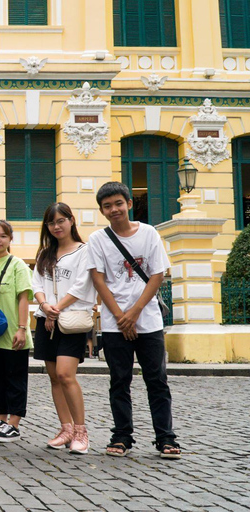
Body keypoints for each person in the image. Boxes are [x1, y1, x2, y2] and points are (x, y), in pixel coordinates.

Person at [87, 182, 181, 459]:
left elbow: (157, 274)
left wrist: (135, 313)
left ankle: (165, 437)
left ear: (129, 203)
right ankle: (122, 436)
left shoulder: (149, 233)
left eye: (118, 203)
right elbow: (98, 278)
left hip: (148, 319)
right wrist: (119, 316)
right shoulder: (98, 240)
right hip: (114, 322)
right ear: (102, 210)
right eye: (107, 206)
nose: (113, 209)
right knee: (119, 380)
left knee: (157, 381)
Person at [32, 203, 95, 454]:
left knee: (66, 374)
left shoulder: (84, 251)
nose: (56, 226)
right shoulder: (44, 253)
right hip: (45, 319)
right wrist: (44, 305)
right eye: (51, 223)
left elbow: (81, 286)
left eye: (61, 221)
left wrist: (55, 308)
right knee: (54, 377)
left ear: (71, 220)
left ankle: (81, 431)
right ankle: (65, 428)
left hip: (71, 321)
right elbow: (35, 282)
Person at [0, 220, 33, 443]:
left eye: (3, 236)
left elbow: (24, 298)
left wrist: (22, 328)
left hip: (14, 332)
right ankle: (0, 420)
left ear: (10, 239)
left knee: (16, 379)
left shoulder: (17, 265)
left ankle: (14, 423)